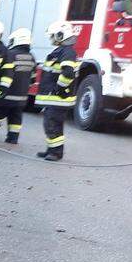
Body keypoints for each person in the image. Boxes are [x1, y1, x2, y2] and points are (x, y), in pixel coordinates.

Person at [35, 21, 81, 160]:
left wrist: (60, 89)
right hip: (56, 98)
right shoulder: (62, 51)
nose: (51, 39)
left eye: (53, 36)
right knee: (55, 124)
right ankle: (53, 150)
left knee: (51, 124)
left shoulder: (67, 52)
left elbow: (68, 73)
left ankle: (55, 152)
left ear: (60, 35)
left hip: (58, 98)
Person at [0, 28, 34, 144]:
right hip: (22, 96)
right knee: (16, 118)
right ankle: (13, 138)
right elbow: (33, 77)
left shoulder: (10, 54)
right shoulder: (31, 57)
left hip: (7, 94)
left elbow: (4, 72)